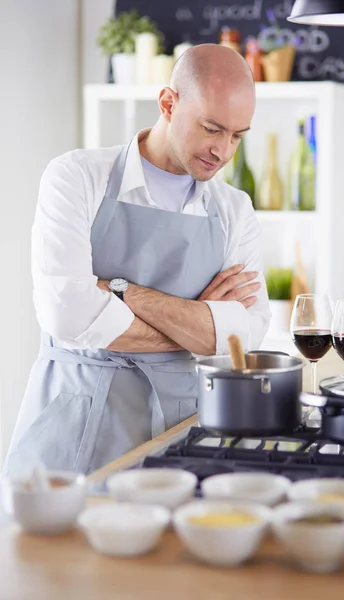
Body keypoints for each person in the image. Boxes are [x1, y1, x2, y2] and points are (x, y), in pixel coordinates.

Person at [4, 44, 271, 476]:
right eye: (211, 128)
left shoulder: (234, 210)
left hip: (179, 425)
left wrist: (120, 292)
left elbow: (246, 332)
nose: (223, 151)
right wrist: (196, 325)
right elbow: (67, 313)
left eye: (237, 135)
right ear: (168, 103)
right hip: (74, 424)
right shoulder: (77, 177)